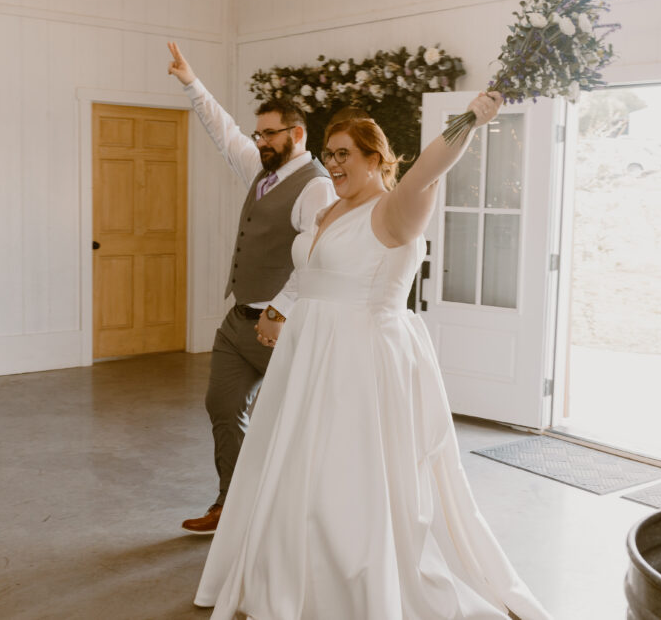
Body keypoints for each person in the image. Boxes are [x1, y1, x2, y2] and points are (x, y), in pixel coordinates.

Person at [194, 92, 552, 619]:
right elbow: (310, 273)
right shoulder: (331, 206)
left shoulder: (395, 210)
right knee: (295, 469)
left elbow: (428, 169)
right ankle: (288, 575)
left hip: (359, 359)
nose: (333, 164)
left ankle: (352, 586)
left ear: (375, 159)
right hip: (308, 356)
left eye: (344, 154)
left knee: (346, 475)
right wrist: (282, 312)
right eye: (328, 153)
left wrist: (471, 119)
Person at [166, 41, 336, 534]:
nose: (259, 140)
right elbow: (224, 131)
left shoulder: (315, 186)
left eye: (269, 133)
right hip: (236, 321)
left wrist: (279, 311)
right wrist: (192, 83)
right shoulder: (261, 173)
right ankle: (231, 506)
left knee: (287, 423)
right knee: (222, 406)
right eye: (258, 133)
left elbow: (315, 262)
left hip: (278, 329)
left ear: (297, 134)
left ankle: (292, 520)